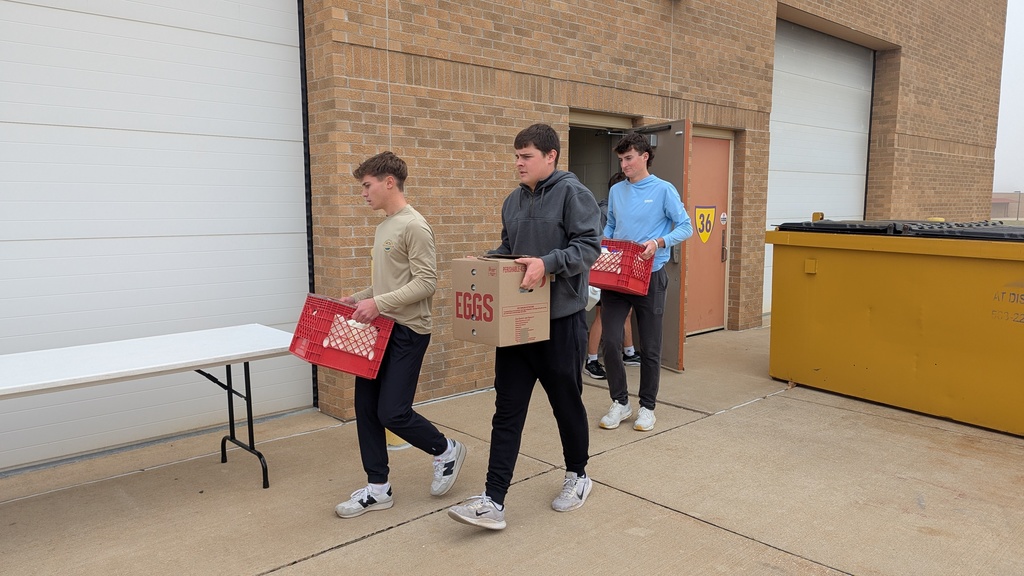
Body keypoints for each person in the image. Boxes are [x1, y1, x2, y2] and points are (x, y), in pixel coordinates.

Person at [448, 124, 602, 530]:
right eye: (516, 155)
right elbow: (509, 250)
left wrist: (546, 263)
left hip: (561, 323)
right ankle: (493, 501)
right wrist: (485, 261)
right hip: (517, 325)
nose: (518, 162)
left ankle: (578, 475)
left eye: (526, 156)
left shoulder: (574, 195)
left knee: (565, 404)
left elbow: (588, 249)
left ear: (551, 156)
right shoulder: (512, 201)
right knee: (507, 409)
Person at [335, 151, 466, 518]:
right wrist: (359, 298)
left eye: (367, 185)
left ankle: (445, 450)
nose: (363, 193)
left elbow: (426, 283)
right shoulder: (383, 226)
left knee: (392, 411)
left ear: (388, 182)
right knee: (366, 409)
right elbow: (388, 283)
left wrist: (377, 304)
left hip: (408, 330)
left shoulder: (414, 225)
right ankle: (377, 488)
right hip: (379, 329)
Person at [598, 133, 692, 432]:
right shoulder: (616, 191)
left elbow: (686, 226)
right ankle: (620, 403)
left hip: (650, 276)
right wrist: (606, 243)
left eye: (628, 159)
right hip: (618, 274)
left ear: (644, 156)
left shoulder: (663, 190)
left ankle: (647, 407)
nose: (624, 165)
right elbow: (611, 223)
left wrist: (659, 241)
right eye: (621, 160)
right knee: (611, 340)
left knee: (650, 347)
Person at [584, 171, 640, 380]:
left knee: (626, 312)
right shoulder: (603, 212)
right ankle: (591, 361)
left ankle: (629, 353)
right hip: (605, 269)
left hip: (623, 270)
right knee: (602, 316)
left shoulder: (627, 210)